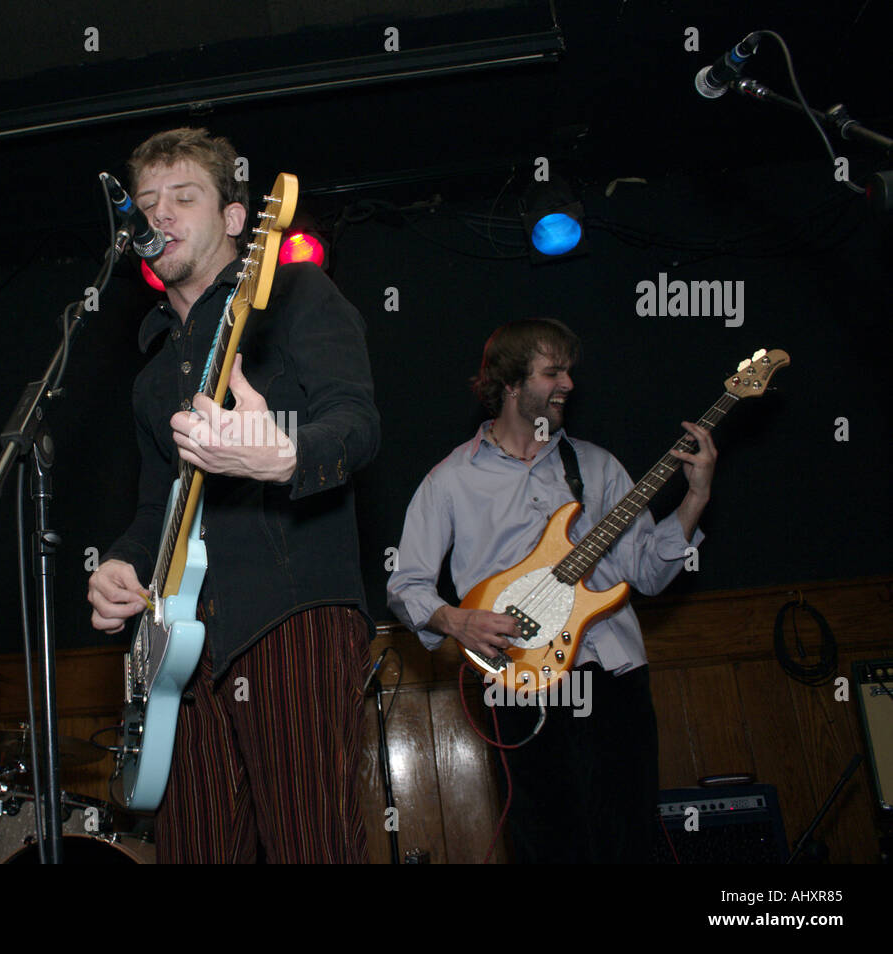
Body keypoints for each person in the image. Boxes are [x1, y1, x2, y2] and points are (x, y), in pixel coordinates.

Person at [86, 128, 379, 863]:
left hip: (291, 613)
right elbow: (158, 506)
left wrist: (286, 456)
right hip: (183, 650)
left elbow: (357, 421)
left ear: (237, 219)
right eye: (148, 203)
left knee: (312, 843)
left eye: (185, 197)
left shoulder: (294, 297)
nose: (162, 215)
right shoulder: (151, 375)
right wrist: (121, 565)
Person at [386, 318, 716, 863]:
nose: (567, 383)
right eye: (552, 372)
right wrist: (456, 620)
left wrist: (695, 499)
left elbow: (650, 574)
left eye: (569, 372)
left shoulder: (596, 465)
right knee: (548, 842)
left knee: (629, 840)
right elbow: (407, 584)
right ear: (511, 383)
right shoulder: (449, 480)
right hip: (521, 681)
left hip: (612, 675)